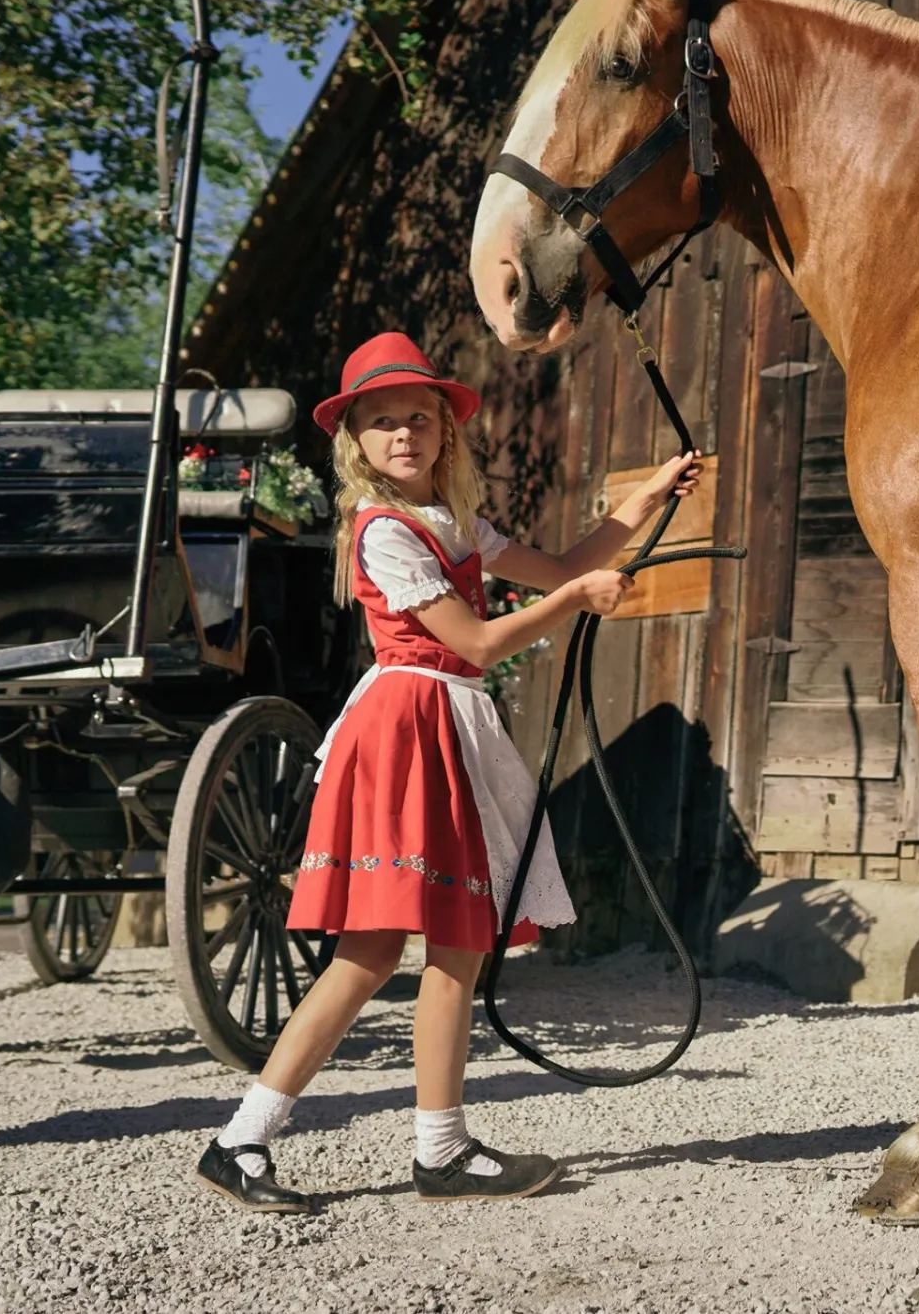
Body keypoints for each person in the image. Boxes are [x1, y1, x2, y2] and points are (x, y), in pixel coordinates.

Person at [195, 332, 701, 1213]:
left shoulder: (456, 524)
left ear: (445, 434)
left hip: (451, 730)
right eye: (382, 421)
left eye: (417, 419)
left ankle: (442, 1148)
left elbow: (565, 562)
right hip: (405, 730)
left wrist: (649, 497)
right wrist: (573, 603)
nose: (403, 434)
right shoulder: (382, 531)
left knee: (460, 946)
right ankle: (243, 1137)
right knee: (368, 952)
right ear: (356, 440)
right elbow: (476, 640)